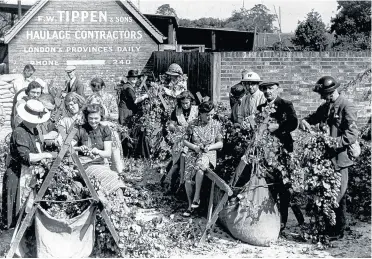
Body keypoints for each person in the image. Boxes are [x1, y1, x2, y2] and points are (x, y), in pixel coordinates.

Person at [299, 76, 358, 239]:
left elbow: (352, 134)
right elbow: (311, 119)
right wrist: (303, 122)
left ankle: (338, 230)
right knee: (325, 193)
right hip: (324, 160)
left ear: (332, 92)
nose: (323, 98)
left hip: (339, 159)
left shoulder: (346, 106)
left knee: (339, 194)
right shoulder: (325, 107)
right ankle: (327, 227)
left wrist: (333, 142)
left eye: (324, 95)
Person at [257, 81, 303, 232]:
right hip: (267, 151)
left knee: (285, 184)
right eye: (265, 89)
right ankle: (273, 217)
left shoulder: (285, 104)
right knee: (271, 184)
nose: (268, 92)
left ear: (277, 89)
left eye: (271, 89)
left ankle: (284, 219)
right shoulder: (261, 108)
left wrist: (278, 127)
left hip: (283, 150)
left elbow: (293, 123)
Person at [1, 99, 54, 229]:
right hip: (16, 174)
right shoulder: (19, 132)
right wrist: (45, 155)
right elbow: (26, 156)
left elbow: (36, 147)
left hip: (26, 173)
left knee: (24, 208)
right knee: (13, 212)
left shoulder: (33, 130)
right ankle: (9, 241)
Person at [71, 104, 126, 200]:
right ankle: (121, 205)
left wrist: (98, 151)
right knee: (111, 176)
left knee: (115, 177)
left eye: (96, 118)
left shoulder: (105, 130)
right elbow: (68, 146)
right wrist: (79, 148)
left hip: (101, 164)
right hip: (85, 165)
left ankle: (121, 204)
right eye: (90, 118)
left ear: (101, 117)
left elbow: (108, 153)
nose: (93, 121)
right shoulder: (80, 130)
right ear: (86, 117)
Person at [182, 101, 223, 217]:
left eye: (211, 115)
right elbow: (184, 141)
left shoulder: (216, 125)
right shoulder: (192, 124)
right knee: (188, 179)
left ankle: (197, 197)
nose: (210, 117)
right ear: (200, 113)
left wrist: (210, 146)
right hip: (194, 152)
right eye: (207, 115)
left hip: (208, 154)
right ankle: (190, 206)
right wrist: (194, 147)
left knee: (200, 167)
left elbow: (220, 143)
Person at [87, 77, 124, 173]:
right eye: (93, 90)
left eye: (97, 90)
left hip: (108, 127)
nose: (96, 92)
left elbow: (116, 116)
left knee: (114, 153)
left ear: (103, 87)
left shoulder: (110, 98)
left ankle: (119, 173)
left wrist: (105, 115)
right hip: (95, 129)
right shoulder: (90, 98)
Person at [166, 91, 199, 192]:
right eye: (183, 103)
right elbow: (172, 123)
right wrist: (172, 126)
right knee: (176, 163)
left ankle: (184, 184)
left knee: (186, 160)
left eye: (187, 103)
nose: (185, 105)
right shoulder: (177, 110)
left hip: (193, 140)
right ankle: (172, 185)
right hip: (180, 140)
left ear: (191, 102)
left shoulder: (196, 110)